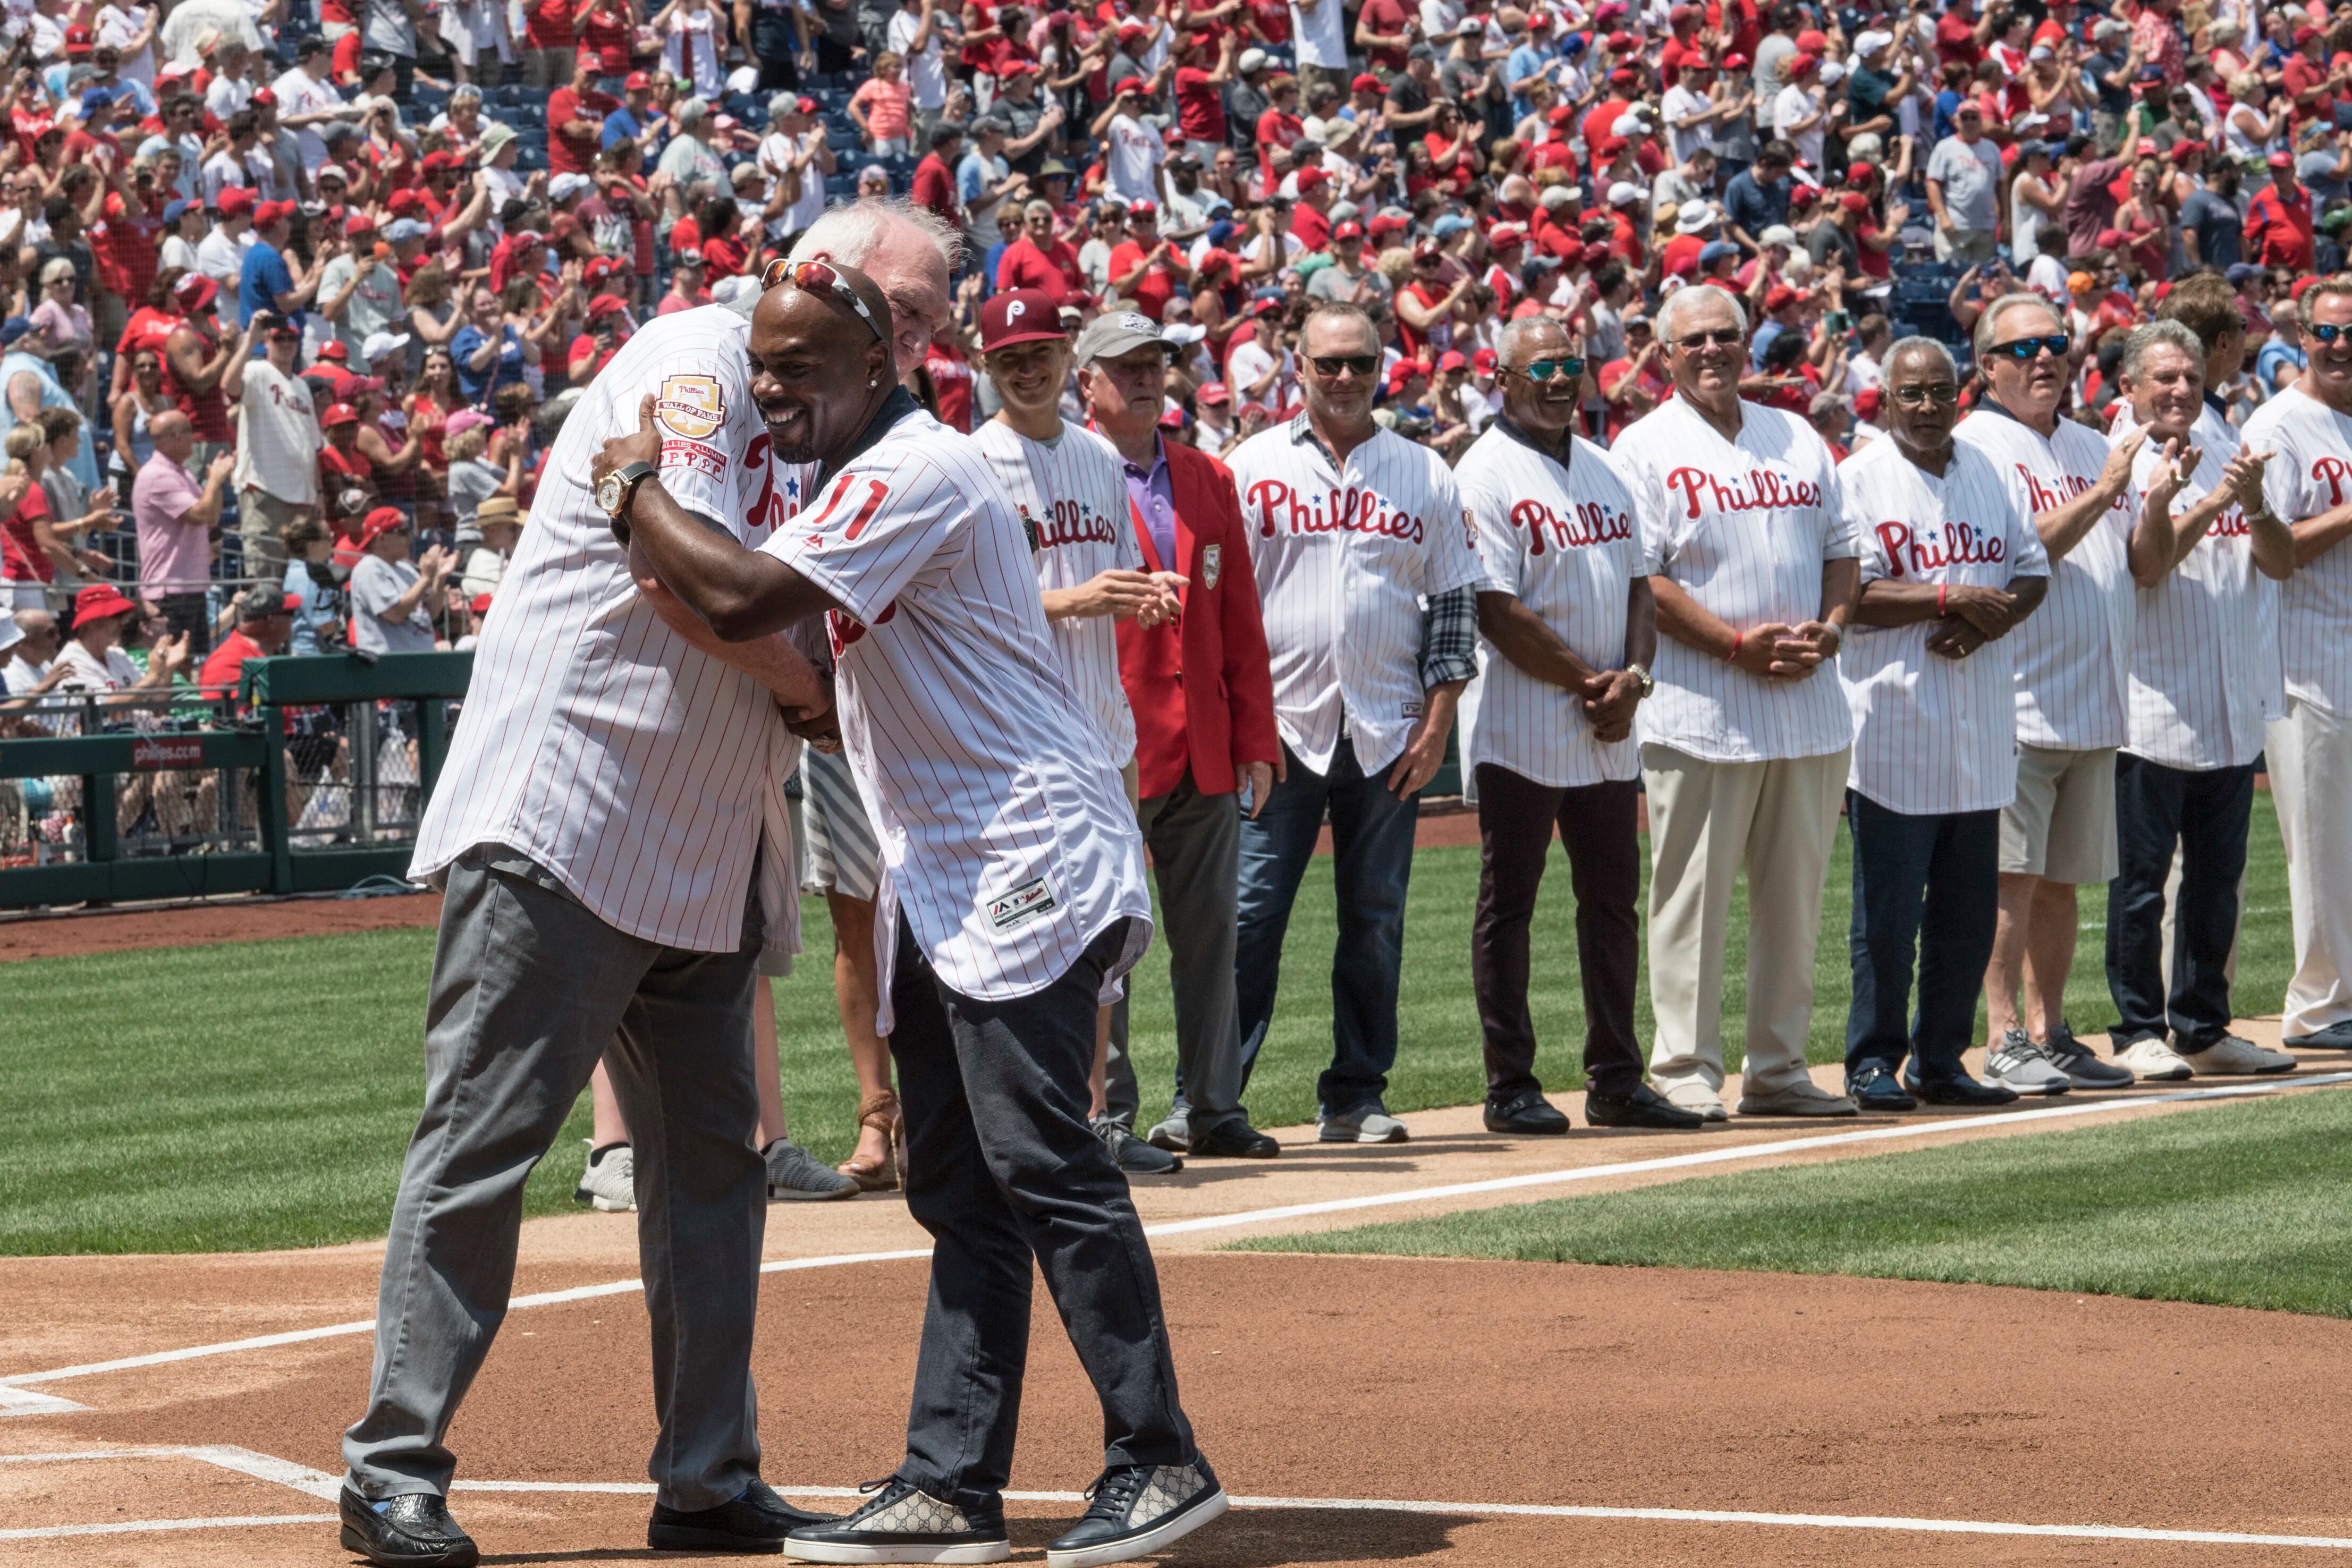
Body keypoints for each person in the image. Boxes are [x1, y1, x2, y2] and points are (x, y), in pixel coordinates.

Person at [599, 260, 1228, 1568]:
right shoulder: (867, 479)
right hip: (948, 867)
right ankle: (950, 1478)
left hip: (1026, 850)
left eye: (801, 365)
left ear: (878, 367)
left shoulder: (914, 469)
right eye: (761, 366)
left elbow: (736, 597)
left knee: (1041, 1154)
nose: (771, 387)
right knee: (957, 1179)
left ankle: (1159, 1455)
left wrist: (632, 484)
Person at [340, 278, 842, 1566]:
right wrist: (812, 691)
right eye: (894, 307)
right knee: (483, 1142)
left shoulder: (834, 430)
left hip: (704, 838)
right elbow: (687, 584)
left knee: (715, 1171)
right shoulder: (696, 359)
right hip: (570, 817)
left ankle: (708, 1473)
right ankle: (390, 1466)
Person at [1225, 300, 1485, 1143]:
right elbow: (1223, 605)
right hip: (1279, 731)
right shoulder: (1250, 466)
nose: (1343, 378)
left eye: (1359, 364)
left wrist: (1439, 720)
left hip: (1388, 728)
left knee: (1374, 918)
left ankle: (1356, 1092)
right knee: (1250, 915)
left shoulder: (1422, 472)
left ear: (1383, 370)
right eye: (1327, 363)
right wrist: (1239, 726)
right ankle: (1212, 1097)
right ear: (1295, 366)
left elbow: (1452, 601)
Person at [1608, 282, 1859, 1122]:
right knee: (1691, 898)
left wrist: (1829, 628)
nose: (1712, 350)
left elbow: (1841, 550)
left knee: (1794, 900)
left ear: (1745, 343)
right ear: (1665, 352)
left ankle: (1780, 1066)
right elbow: (1643, 579)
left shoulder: (1795, 435)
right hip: (1700, 704)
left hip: (1808, 702)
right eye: (1693, 341)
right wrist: (1731, 643)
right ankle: (1684, 1063)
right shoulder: (1640, 447)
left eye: (1725, 336)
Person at [1459, 316, 1699, 1133]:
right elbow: (1495, 608)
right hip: (1523, 721)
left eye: (1570, 365)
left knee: (1611, 903)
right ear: (1503, 377)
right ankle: (1510, 1082)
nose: (1560, 379)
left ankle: (1616, 1078)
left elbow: (1639, 584)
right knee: (1510, 905)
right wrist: (1592, 682)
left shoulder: (1601, 468)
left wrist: (1631, 679)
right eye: (1541, 367)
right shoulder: (1484, 471)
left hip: (1610, 718)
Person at [973, 292, 1184, 1176]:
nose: (1026, 367)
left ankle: (1091, 1119)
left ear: (1069, 358)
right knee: (1020, 932)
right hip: (1014, 733)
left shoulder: (1101, 459)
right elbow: (972, 605)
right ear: (985, 366)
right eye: (1008, 355)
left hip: (1101, 727)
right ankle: (1021, 1122)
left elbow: (1107, 574)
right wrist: (1079, 599)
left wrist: (1145, 587)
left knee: (1102, 936)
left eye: (1040, 350)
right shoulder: (971, 462)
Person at [1075, 309, 1283, 1160]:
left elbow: (1240, 621)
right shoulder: (1065, 470)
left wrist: (1256, 739)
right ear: (1084, 381)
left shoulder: (1205, 476)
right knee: (1106, 946)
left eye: (1154, 361)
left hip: (1200, 742)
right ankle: (1107, 1111)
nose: (1144, 376)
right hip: (1105, 745)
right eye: (1123, 364)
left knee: (1210, 937)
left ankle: (1213, 1104)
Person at [1835, 337, 2049, 1110]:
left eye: (1939, 391)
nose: (1927, 405)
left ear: (1960, 393)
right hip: (1892, 727)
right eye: (1912, 393)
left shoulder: (1988, 472)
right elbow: (1846, 593)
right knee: (1886, 920)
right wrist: (1945, 598)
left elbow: (2031, 570)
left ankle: (1942, 1059)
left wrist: (1986, 621)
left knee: (1963, 918)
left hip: (1980, 724)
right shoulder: (1856, 479)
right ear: (1885, 399)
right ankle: (1871, 1059)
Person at [1955, 294, 2156, 1090]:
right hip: (2018, 694)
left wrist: (2170, 498)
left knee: (2064, 877)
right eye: (2024, 347)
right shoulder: (1976, 444)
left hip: (2093, 696)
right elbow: (2018, 549)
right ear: (1987, 366)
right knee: (2010, 876)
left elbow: (2133, 557)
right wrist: (2109, 485)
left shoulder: (2082, 440)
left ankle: (2051, 1027)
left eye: (2056, 344)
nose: (2044, 358)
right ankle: (2003, 1036)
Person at [2105, 319, 2298, 1078]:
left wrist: (2250, 503)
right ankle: (2135, 1028)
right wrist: (2208, 495)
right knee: (2140, 886)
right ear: (2128, 386)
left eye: (2188, 376)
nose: (2180, 389)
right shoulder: (2111, 454)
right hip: (2147, 703)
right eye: (2162, 378)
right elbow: (2145, 566)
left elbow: (2279, 564)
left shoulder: (2226, 442)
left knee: (2216, 884)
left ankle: (2203, 1023)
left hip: (2226, 699)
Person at [2241, 277, 2352, 1052]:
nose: (2340, 344)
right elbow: (2267, 550)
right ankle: (2318, 1007)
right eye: (2326, 331)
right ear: (2301, 336)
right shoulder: (2280, 424)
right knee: (2319, 842)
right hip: (2305, 660)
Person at [132, 410, 234, 655]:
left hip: (190, 587)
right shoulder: (158, 476)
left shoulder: (182, 473)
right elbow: (202, 514)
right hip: (170, 589)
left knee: (188, 663)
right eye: (191, 432)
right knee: (172, 666)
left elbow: (212, 517)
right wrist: (215, 481)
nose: (195, 438)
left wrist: (215, 484)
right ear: (177, 436)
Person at [233, 315, 322, 580]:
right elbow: (229, 385)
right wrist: (249, 340)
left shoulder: (302, 386)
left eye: (291, 337)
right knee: (266, 578)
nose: (286, 343)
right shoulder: (257, 371)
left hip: (302, 498)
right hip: (266, 491)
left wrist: (319, 493)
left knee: (299, 580)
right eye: (278, 338)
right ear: (267, 342)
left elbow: (313, 445)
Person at [346, 507, 450, 656]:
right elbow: (395, 614)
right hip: (389, 666)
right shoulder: (369, 568)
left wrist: (440, 576)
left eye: (408, 531)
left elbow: (433, 612)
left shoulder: (405, 567)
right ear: (381, 538)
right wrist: (426, 578)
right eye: (401, 532)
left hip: (418, 661)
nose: (409, 537)